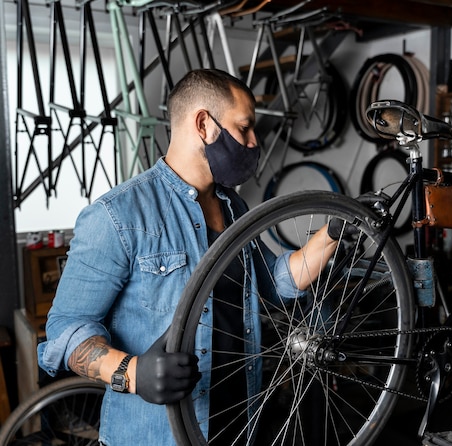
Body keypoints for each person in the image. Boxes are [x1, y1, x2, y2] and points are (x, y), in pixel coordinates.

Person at [37, 68, 339, 445]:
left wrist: (334, 235)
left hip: (240, 426)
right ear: (203, 124)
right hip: (158, 436)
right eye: (244, 128)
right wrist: (131, 373)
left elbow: (272, 282)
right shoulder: (118, 215)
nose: (253, 142)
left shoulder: (234, 207)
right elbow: (66, 328)